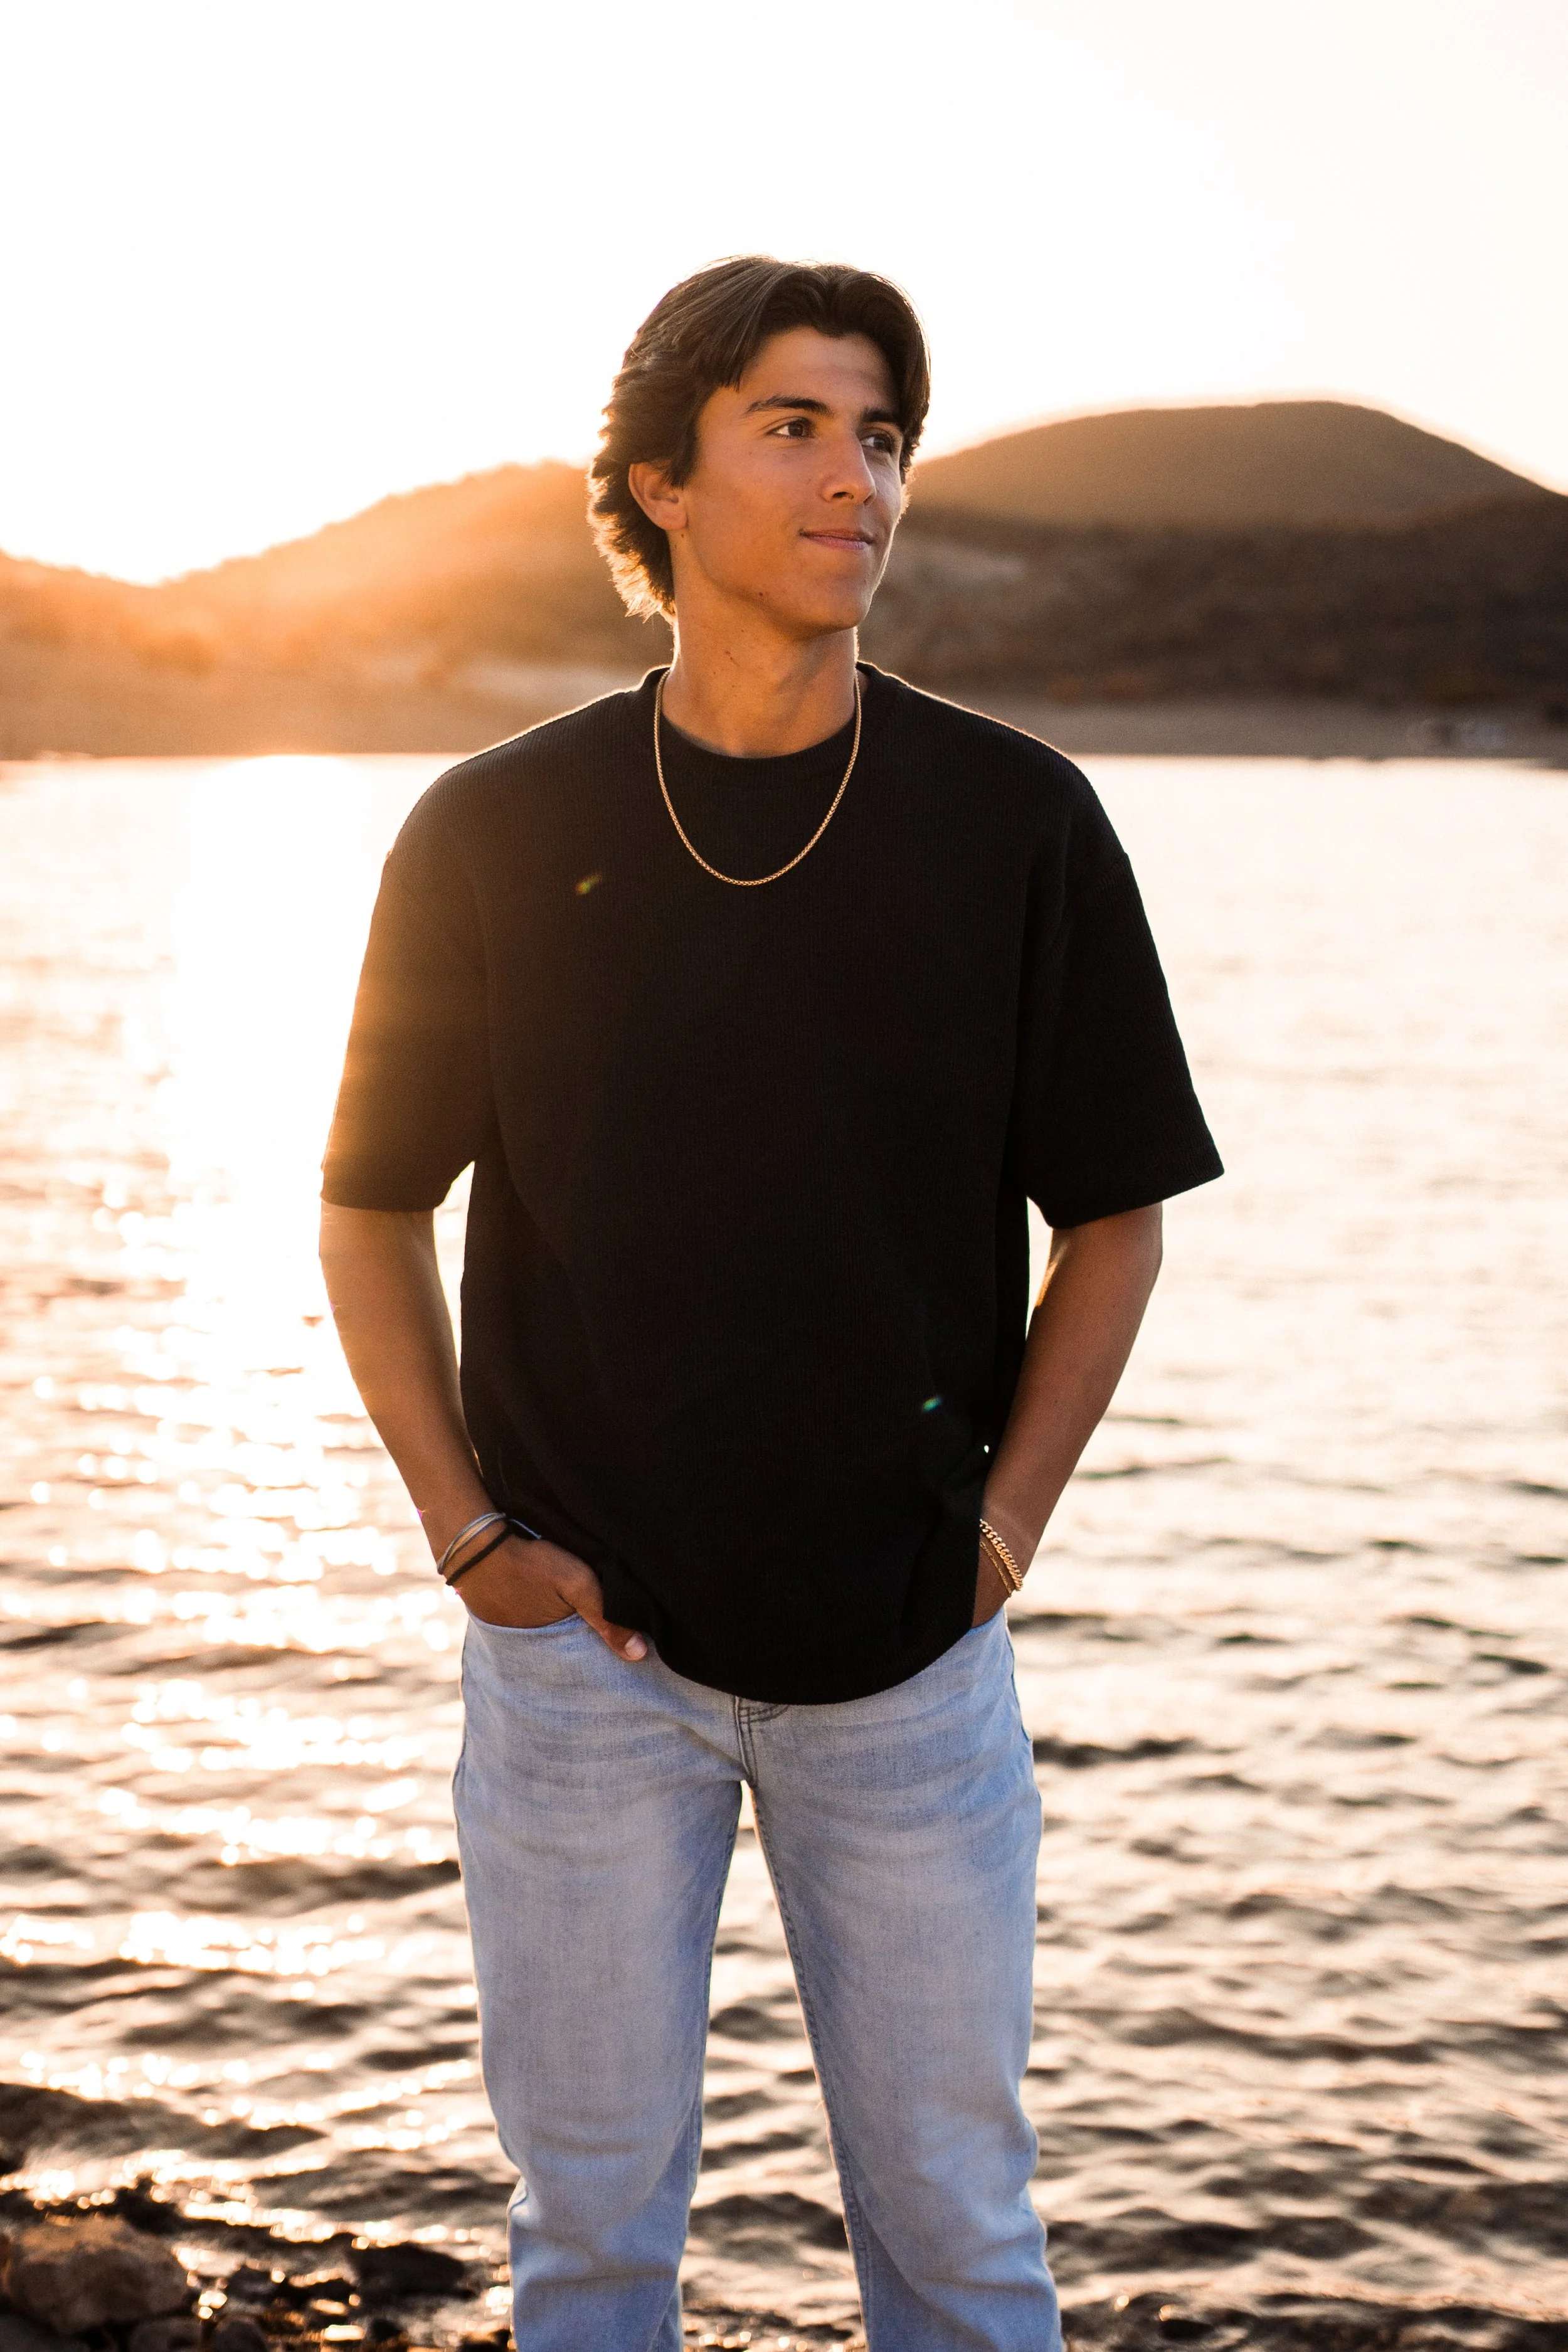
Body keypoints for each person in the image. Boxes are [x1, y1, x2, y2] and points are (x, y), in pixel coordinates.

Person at [319, 255, 1222, 2352]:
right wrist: (471, 1536)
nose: (856, 480)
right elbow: (368, 1211)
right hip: (584, 1674)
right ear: (659, 480)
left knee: (958, 2242)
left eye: (883, 434)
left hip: (907, 1666)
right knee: (592, 2236)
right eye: (795, 427)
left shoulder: (1017, 821)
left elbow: (1117, 1220)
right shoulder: (484, 829)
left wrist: (1001, 1532)